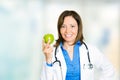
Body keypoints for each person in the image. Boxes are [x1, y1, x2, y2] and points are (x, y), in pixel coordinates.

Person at [40, 10, 115, 80]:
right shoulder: (51, 52)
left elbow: (109, 69)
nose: (68, 31)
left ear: (78, 28)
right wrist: (48, 59)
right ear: (59, 29)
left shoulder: (90, 50)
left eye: (72, 26)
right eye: (63, 26)